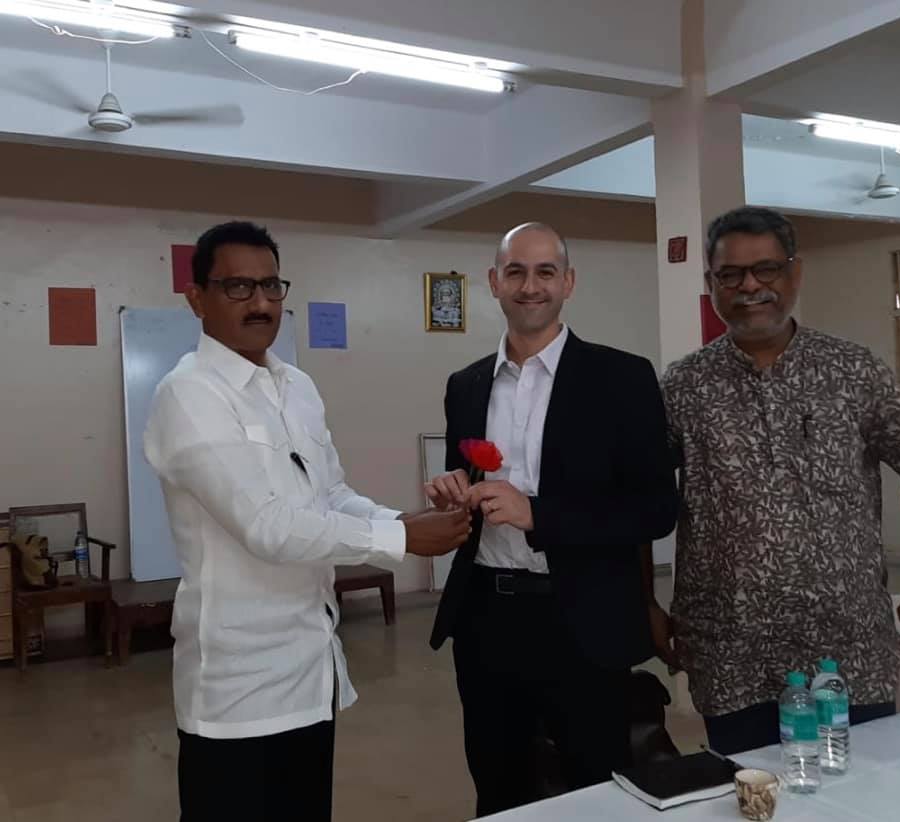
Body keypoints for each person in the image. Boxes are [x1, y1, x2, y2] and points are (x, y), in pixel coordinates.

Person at [144, 221, 471, 822]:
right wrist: (400, 539)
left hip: (311, 671)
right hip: (236, 692)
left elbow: (328, 492)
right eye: (238, 287)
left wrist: (396, 517)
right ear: (197, 298)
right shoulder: (188, 394)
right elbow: (268, 527)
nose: (262, 302)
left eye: (271, 284)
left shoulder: (296, 386)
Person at [653, 206, 900, 755]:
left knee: (858, 794)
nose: (750, 287)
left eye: (765, 270)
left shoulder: (852, 370)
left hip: (846, 642)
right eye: (731, 275)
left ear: (794, 274)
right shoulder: (683, 386)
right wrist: (643, 601)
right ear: (711, 284)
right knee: (749, 797)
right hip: (730, 645)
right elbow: (638, 495)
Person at [425, 222, 677, 816]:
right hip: (487, 617)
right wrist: (451, 492)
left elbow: (655, 509)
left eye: (544, 272)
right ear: (493, 282)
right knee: (498, 784)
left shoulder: (623, 377)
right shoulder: (465, 385)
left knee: (596, 787)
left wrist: (536, 514)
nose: (529, 286)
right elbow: (468, 485)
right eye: (515, 271)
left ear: (568, 282)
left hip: (583, 619)